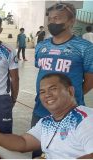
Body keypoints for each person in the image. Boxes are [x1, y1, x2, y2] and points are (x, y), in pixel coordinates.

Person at [32, 2, 93, 158]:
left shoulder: (84, 47)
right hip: (41, 111)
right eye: (50, 19)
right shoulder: (41, 46)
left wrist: (67, 96)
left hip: (70, 115)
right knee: (38, 152)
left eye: (57, 18)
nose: (52, 22)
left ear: (71, 21)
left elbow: (89, 80)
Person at [0, 73, 93, 159]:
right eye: (42, 92)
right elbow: (24, 142)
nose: (47, 94)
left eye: (53, 89)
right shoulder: (46, 122)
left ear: (70, 91)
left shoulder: (85, 119)